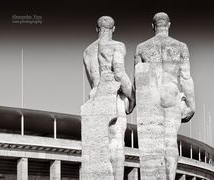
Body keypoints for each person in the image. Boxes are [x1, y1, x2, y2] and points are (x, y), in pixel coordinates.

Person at [135, 12, 195, 179]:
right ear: (169, 25)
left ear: (153, 26)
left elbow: (138, 78)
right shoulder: (180, 46)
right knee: (170, 143)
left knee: (149, 146)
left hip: (150, 96)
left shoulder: (141, 48)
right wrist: (191, 105)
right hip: (170, 93)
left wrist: (132, 102)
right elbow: (185, 77)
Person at [83, 16, 135, 180]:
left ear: (97, 29)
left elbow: (91, 79)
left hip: (94, 98)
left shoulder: (87, 51)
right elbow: (119, 73)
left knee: (96, 150)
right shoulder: (117, 46)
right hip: (112, 96)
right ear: (113, 29)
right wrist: (132, 97)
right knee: (116, 144)